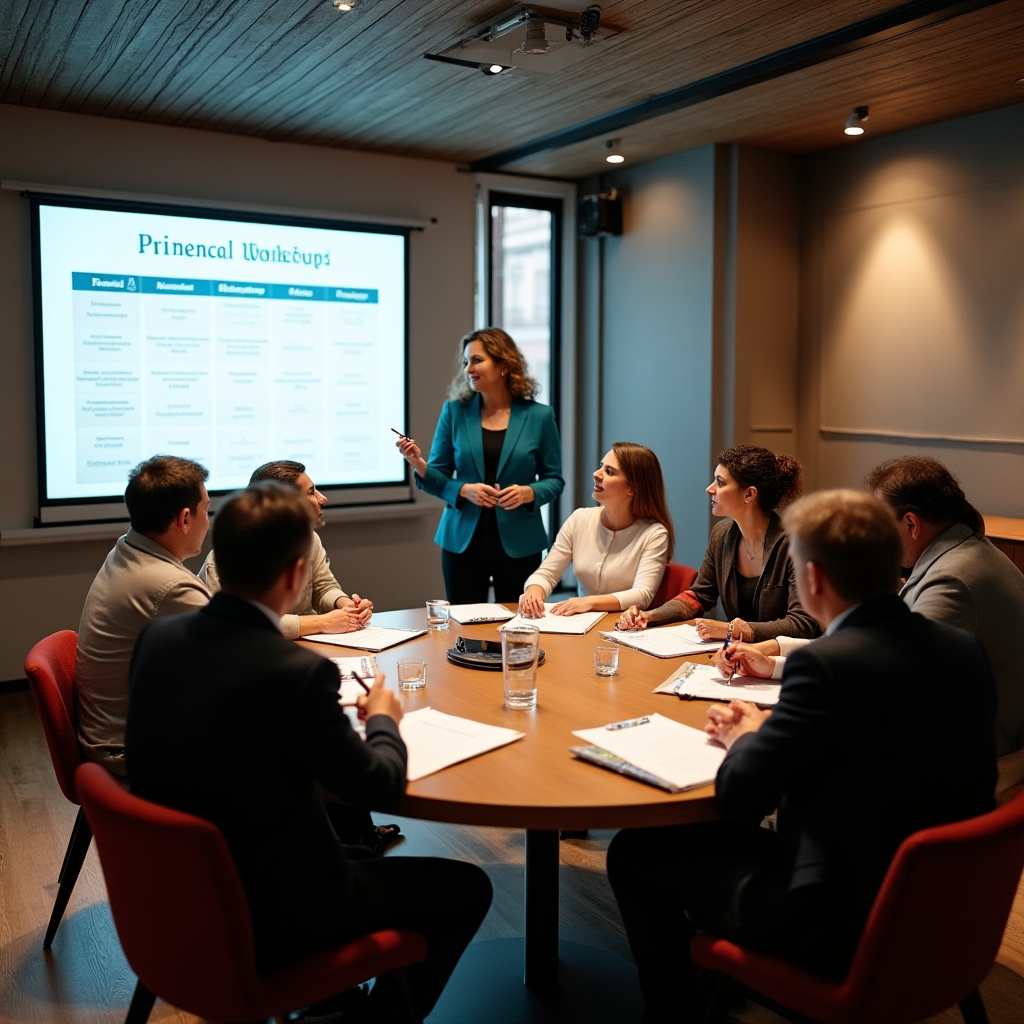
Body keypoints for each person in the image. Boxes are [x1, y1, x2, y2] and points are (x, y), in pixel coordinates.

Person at [608, 490, 996, 1024]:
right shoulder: (962, 650)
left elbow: (741, 796)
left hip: (836, 920)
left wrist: (745, 734)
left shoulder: (828, 665)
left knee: (635, 853)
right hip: (944, 910)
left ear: (811, 579)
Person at [125, 483, 492, 1021]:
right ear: (297, 573)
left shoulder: (158, 640)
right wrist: (384, 718)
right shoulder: (294, 673)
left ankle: (334, 1001)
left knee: (359, 854)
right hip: (275, 911)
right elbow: (379, 786)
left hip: (175, 896)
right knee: (468, 888)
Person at [724, 456, 1024, 801]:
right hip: (963, 777)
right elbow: (875, 647)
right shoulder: (967, 555)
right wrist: (777, 659)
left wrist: (757, 732)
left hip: (952, 778)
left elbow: (876, 675)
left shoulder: (950, 579)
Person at [397, 327, 564, 603]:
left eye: (476, 360)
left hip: (520, 542)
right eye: (466, 362)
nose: (468, 369)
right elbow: (437, 477)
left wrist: (528, 492)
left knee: (519, 622)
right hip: (462, 543)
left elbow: (554, 480)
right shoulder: (454, 412)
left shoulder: (540, 416)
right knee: (463, 625)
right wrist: (454, 484)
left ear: (503, 365)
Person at [75, 456, 211, 777]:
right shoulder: (171, 586)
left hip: (115, 736)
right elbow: (239, 661)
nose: (209, 520)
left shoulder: (126, 548)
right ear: (185, 519)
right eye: (207, 510)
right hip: (132, 754)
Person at [618, 444, 817, 642]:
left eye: (720, 483)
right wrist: (649, 616)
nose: (709, 489)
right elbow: (699, 596)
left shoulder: (796, 544)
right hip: (738, 654)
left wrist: (733, 630)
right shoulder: (721, 534)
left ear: (749, 494)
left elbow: (802, 624)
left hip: (786, 657)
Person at [201, 460, 373, 639]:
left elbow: (323, 587)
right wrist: (321, 623)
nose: (323, 499)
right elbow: (240, 621)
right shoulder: (230, 555)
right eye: (311, 492)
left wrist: (346, 606)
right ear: (288, 503)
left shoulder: (309, 538)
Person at [519, 442, 672, 617]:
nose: (596, 474)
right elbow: (547, 574)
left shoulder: (655, 534)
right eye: (601, 466)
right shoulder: (580, 519)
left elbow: (642, 595)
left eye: (609, 472)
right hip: (579, 624)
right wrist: (534, 590)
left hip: (624, 626)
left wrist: (588, 602)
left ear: (631, 488)